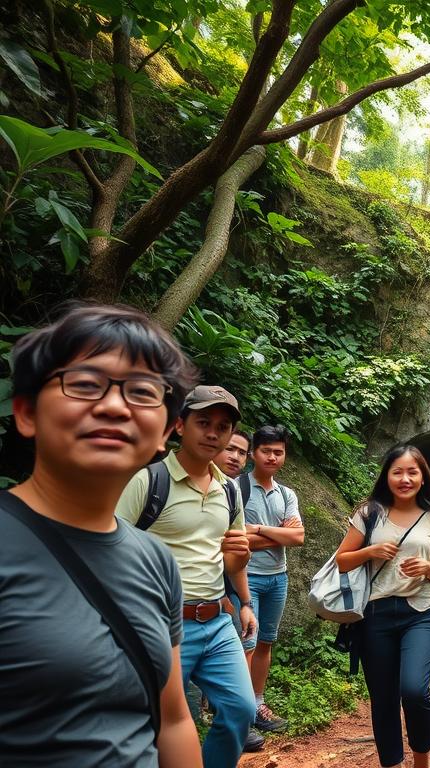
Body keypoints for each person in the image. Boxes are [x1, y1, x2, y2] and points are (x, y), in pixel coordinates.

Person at [0, 303, 202, 766]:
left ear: (165, 433)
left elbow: (172, 719)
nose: (113, 406)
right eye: (85, 384)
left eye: (142, 391)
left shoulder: (155, 560)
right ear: (27, 413)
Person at [117, 385, 257, 768]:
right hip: (163, 624)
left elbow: (231, 559)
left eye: (223, 426)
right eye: (203, 422)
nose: (213, 432)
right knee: (162, 726)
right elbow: (107, 552)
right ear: (179, 425)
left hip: (216, 621)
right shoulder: (148, 482)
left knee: (241, 711)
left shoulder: (230, 491)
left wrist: (244, 602)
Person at [334, 445, 430, 768]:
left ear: (422, 476)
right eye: (397, 472)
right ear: (386, 475)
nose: (405, 478)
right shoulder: (369, 513)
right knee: (383, 700)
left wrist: (428, 569)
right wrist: (370, 552)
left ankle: (421, 760)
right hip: (376, 615)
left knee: (414, 690)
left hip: (422, 613)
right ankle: (391, 763)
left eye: (412, 472)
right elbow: (342, 561)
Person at [237, 425, 304, 734]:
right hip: (246, 577)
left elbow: (298, 536)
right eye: (267, 451)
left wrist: (259, 530)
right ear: (253, 452)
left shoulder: (286, 493)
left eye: (279, 452)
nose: (273, 457)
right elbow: (235, 539)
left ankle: (258, 702)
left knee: (265, 642)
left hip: (278, 577)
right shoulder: (237, 488)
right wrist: (278, 534)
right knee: (245, 644)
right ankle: (241, 711)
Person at [213, 428, 264, 753]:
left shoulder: (231, 492)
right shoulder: (156, 482)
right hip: (171, 607)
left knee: (240, 703)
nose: (234, 456)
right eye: (229, 448)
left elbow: (237, 551)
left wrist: (244, 602)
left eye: (240, 452)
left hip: (222, 600)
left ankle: (237, 723)